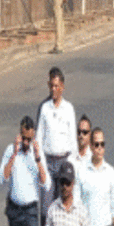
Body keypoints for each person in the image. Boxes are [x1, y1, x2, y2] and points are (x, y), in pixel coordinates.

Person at [37, 67, 78, 202]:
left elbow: (72, 140)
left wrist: (71, 165)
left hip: (63, 162)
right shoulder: (45, 108)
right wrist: (41, 164)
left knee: (62, 204)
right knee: (46, 207)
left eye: (57, 86)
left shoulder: (68, 109)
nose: (53, 89)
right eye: (52, 86)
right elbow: (39, 138)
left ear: (62, 87)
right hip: (48, 163)